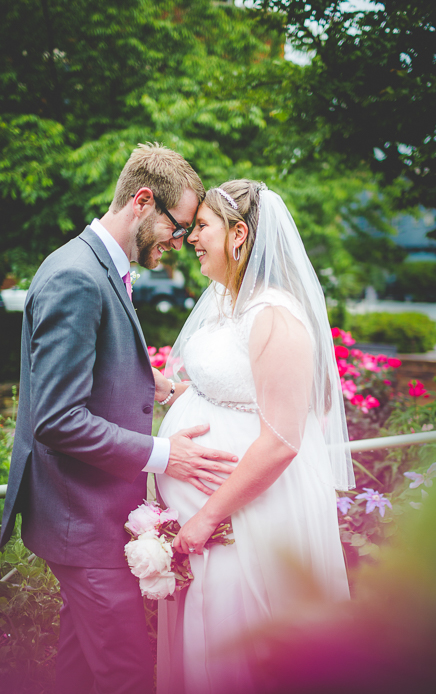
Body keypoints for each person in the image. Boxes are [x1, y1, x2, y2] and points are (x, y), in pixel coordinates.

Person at [0, 143, 239, 694]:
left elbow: (79, 376)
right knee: (127, 674)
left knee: (81, 668)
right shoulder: (77, 277)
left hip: (92, 517)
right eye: (177, 228)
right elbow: (57, 419)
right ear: (143, 201)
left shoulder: (98, 267)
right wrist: (166, 455)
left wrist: (141, 381)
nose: (178, 244)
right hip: (81, 521)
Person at [153, 180, 354, 694]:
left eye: (201, 226)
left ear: (238, 233)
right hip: (217, 515)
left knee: (239, 645)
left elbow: (282, 440)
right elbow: (230, 384)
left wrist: (204, 517)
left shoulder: (276, 317)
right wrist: (172, 389)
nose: (189, 237)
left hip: (248, 515)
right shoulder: (226, 300)